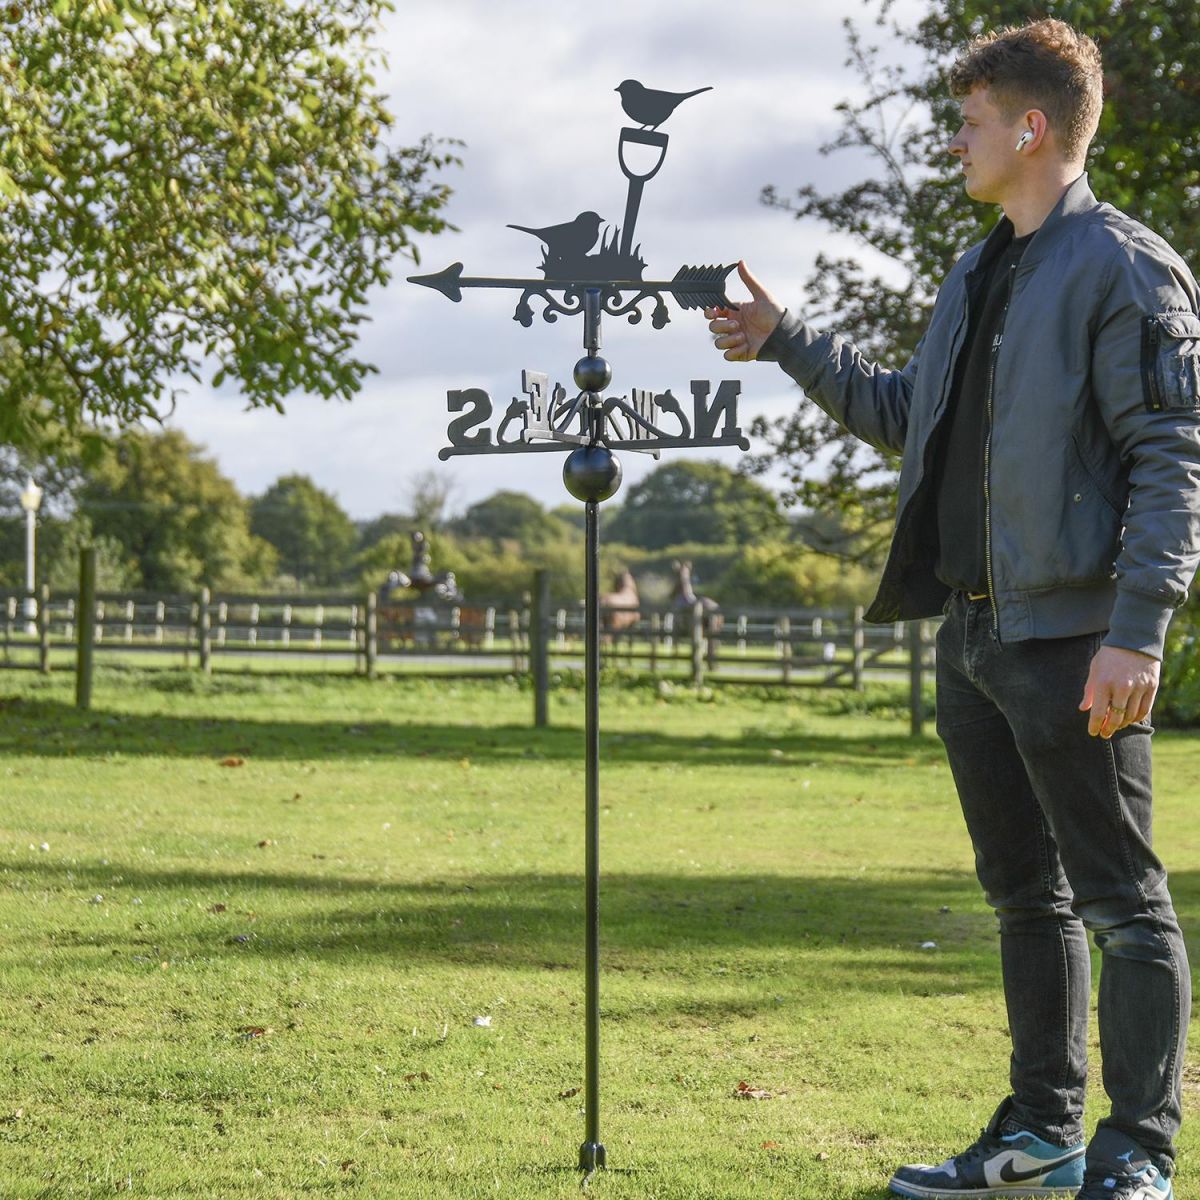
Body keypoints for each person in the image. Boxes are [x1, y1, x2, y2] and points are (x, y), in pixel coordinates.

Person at [706, 18, 1199, 1200]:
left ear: (1031, 128)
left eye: (970, 121)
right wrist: (783, 344)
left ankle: (1138, 1152)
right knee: (1024, 899)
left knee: (1123, 902)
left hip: (1077, 639)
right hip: (973, 637)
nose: (954, 140)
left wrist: (1137, 632)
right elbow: (905, 417)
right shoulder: (979, 270)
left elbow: (1176, 458)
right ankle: (1042, 1131)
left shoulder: (1131, 271)